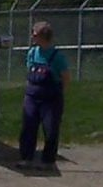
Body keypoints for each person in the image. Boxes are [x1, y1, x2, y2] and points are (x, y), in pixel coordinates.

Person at [17, 21, 67, 169]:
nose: (32, 37)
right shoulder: (32, 52)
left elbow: (65, 77)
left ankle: (48, 161)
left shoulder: (57, 56)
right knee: (28, 127)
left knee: (50, 129)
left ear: (43, 36)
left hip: (50, 99)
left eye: (34, 34)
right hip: (32, 96)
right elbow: (29, 71)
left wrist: (59, 92)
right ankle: (26, 158)